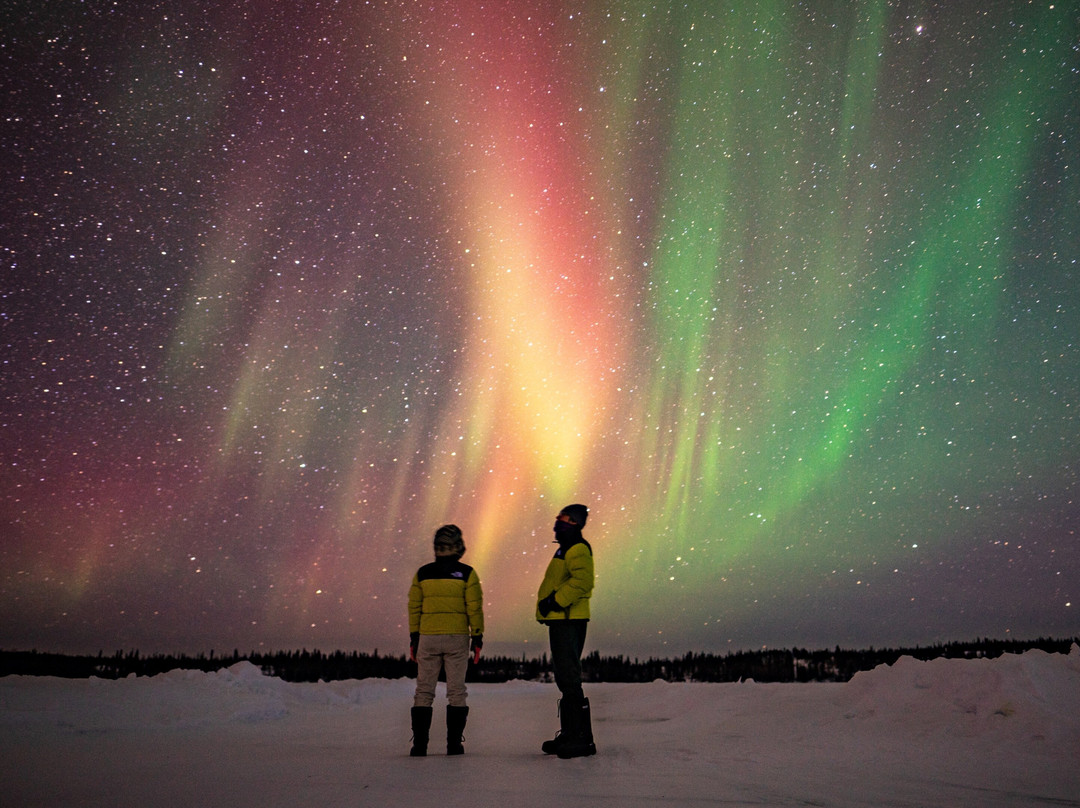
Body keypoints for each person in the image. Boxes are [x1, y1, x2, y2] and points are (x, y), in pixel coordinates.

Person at [407, 524, 484, 756]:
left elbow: (414, 607)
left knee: (424, 690)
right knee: (456, 691)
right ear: (459, 547)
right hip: (457, 637)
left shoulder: (422, 573)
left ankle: (419, 745)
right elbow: (475, 608)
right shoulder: (468, 574)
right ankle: (453, 744)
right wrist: (477, 637)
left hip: (428, 637)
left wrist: (414, 637)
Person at [535, 503, 596, 758]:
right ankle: (572, 734)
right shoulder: (565, 549)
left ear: (574, 522)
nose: (558, 521)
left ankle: (580, 739)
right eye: (558, 517)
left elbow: (582, 582)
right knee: (564, 675)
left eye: (564, 518)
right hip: (561, 619)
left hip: (568, 618)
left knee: (569, 676)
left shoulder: (577, 548)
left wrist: (555, 601)